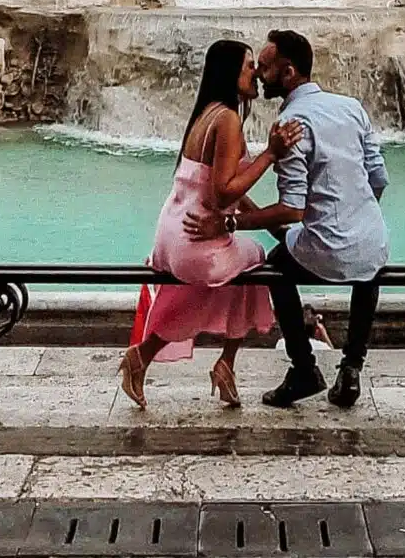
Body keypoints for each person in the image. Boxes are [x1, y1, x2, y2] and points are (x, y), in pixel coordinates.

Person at [193, 27, 389, 411]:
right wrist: (352, 214)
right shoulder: (351, 106)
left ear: (288, 73)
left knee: (276, 267)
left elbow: (291, 210)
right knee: (369, 257)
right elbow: (378, 177)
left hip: (326, 246)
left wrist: (232, 223)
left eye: (264, 68)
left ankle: (303, 368)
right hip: (372, 236)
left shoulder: (290, 125)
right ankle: (351, 366)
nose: (259, 76)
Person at [120, 40, 292, 411]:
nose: (256, 74)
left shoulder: (206, 113)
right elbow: (223, 192)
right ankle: (226, 362)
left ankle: (147, 357)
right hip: (195, 235)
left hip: (171, 234)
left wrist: (259, 216)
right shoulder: (229, 119)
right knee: (258, 260)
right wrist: (271, 154)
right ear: (230, 73)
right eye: (249, 66)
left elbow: (221, 187)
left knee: (221, 282)